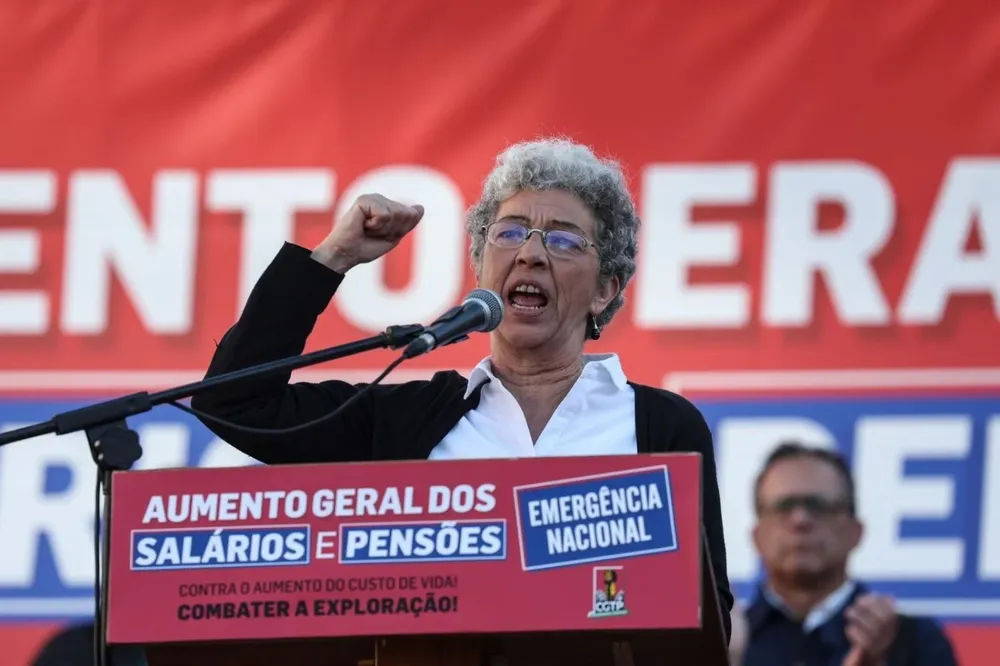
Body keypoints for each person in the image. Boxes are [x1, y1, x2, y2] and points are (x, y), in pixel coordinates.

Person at [190, 138, 733, 641]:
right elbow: (236, 404)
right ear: (480, 265)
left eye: (564, 240)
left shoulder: (660, 425)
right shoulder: (406, 420)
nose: (531, 254)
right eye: (510, 232)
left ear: (605, 290)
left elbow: (709, 620)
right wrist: (332, 258)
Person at [741, 442, 958, 666]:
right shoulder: (725, 641)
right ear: (757, 536)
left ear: (856, 532)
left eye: (818, 506)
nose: (800, 521)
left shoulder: (913, 642)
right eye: (784, 506)